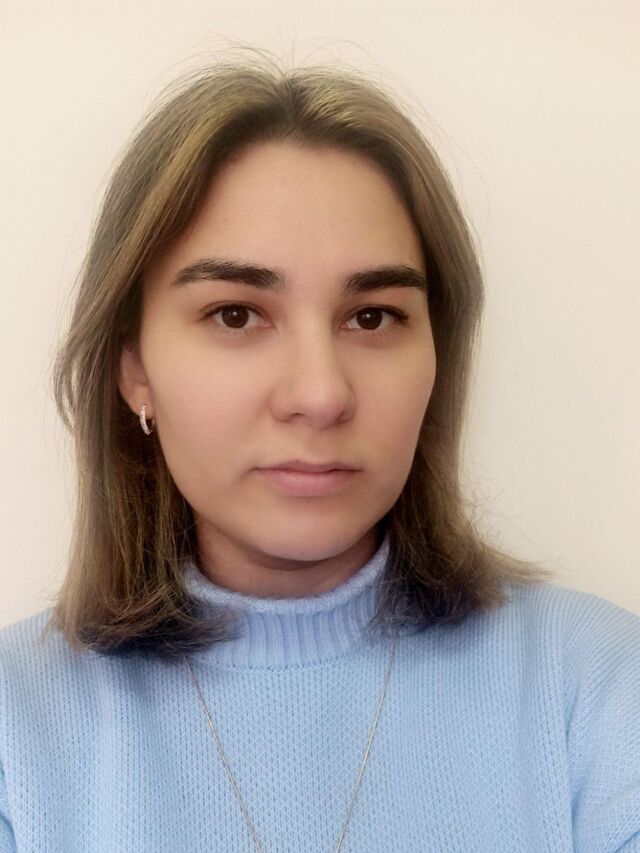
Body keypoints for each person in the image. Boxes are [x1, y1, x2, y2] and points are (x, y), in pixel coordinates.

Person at [1, 47, 638, 852]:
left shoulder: (596, 693)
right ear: (135, 369)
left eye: (373, 316)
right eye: (236, 314)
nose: (321, 392)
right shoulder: (17, 735)